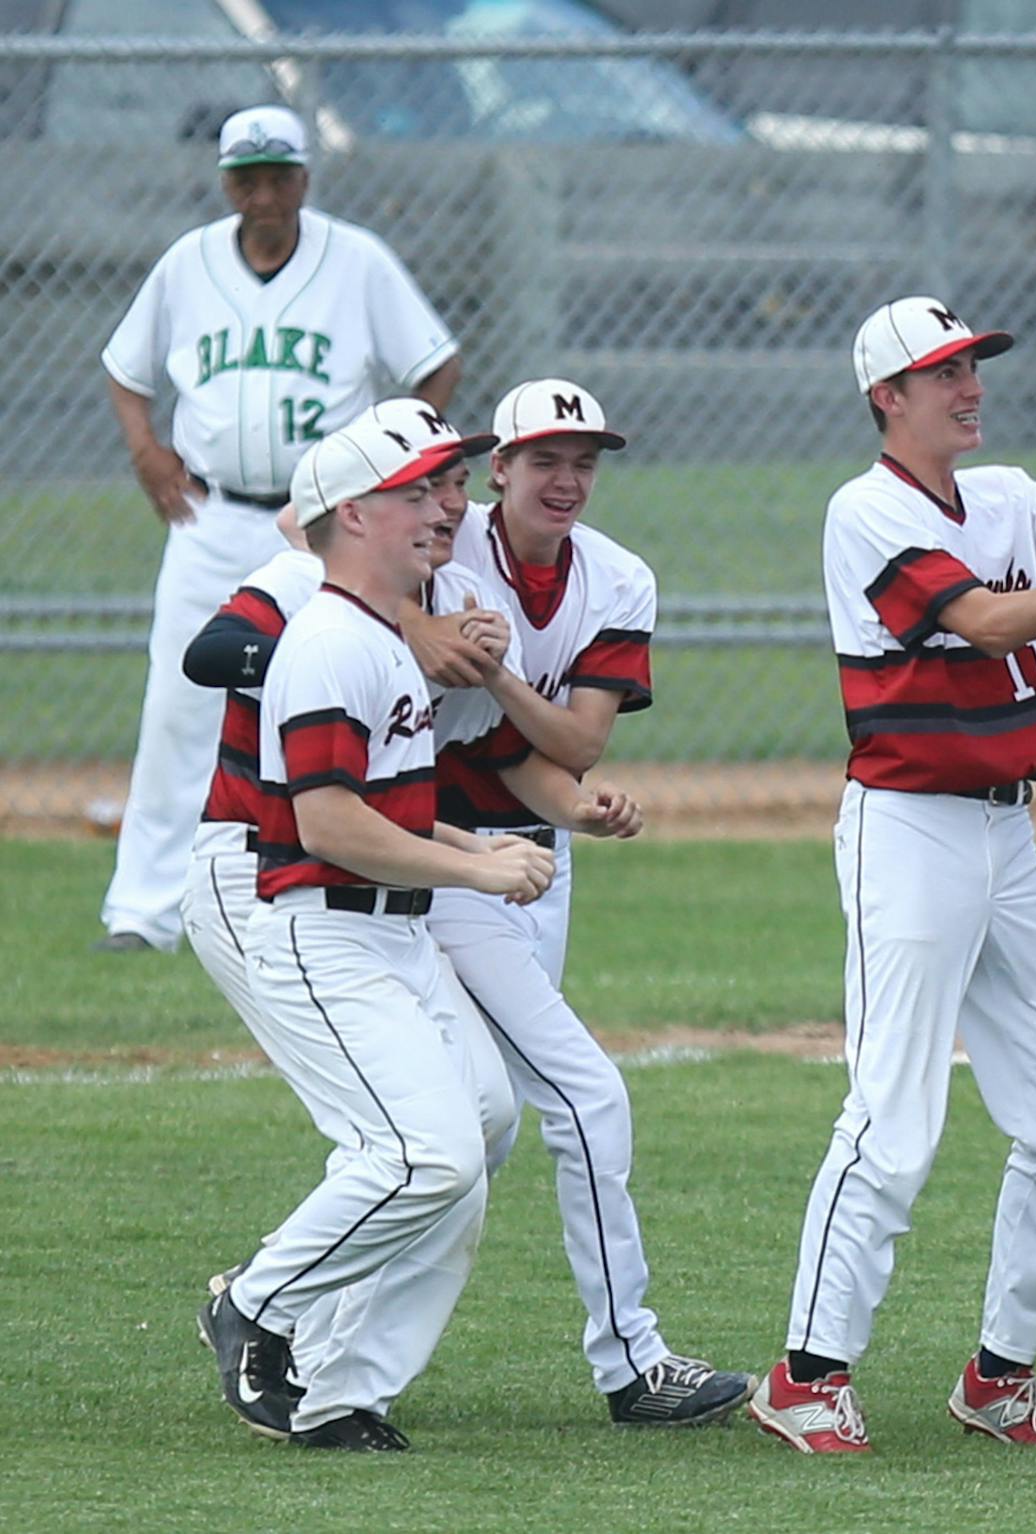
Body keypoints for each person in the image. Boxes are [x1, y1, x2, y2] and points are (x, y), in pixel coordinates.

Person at [747, 298, 1036, 1454]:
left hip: (1006, 835)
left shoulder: (1009, 493)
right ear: (888, 398)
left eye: (972, 365)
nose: (968, 386)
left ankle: (998, 1375)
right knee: (895, 1113)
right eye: (941, 374)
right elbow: (984, 620)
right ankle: (806, 1375)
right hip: (908, 830)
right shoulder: (865, 509)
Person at [194, 413, 549, 1452]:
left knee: (481, 1129)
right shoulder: (330, 638)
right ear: (352, 513)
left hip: (394, 935)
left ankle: (343, 1388)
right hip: (326, 933)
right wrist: (478, 864)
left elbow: (383, 807)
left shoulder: (387, 636)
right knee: (424, 1157)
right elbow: (330, 823)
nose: (445, 510)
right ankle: (257, 1304)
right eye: (413, 492)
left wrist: (469, 848)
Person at [426, 379, 754, 1425]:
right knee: (584, 1096)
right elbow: (340, 566)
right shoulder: (444, 547)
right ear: (499, 472)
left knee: (478, 1129)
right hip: (437, 862)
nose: (566, 480)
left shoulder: (618, 577)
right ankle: (630, 1360)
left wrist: (509, 685)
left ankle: (279, 1311)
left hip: (535, 858)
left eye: (584, 461)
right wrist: (457, 651)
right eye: (544, 459)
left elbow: (574, 742)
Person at [97, 104, 460, 954]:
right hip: (211, 510)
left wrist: (388, 464)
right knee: (179, 704)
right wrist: (148, 450)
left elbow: (433, 360)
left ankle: (337, 880)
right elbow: (125, 367)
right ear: (226, 183)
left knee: (341, 693)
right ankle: (141, 912)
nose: (262, 193)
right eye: (246, 178)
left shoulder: (356, 260)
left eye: (277, 176)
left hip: (326, 526)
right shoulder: (188, 265)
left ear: (303, 178)